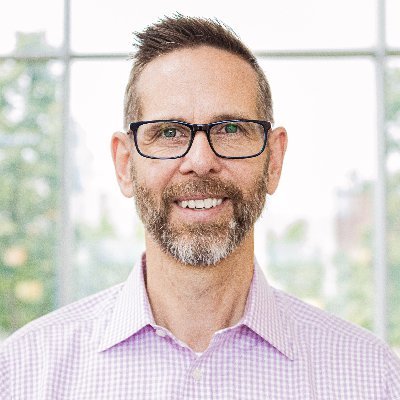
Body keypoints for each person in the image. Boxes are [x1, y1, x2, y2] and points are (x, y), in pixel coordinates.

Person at [1, 14, 399, 400]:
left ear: (274, 161)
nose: (200, 160)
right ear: (125, 164)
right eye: (168, 132)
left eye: (230, 129)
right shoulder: (24, 373)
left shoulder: (371, 377)